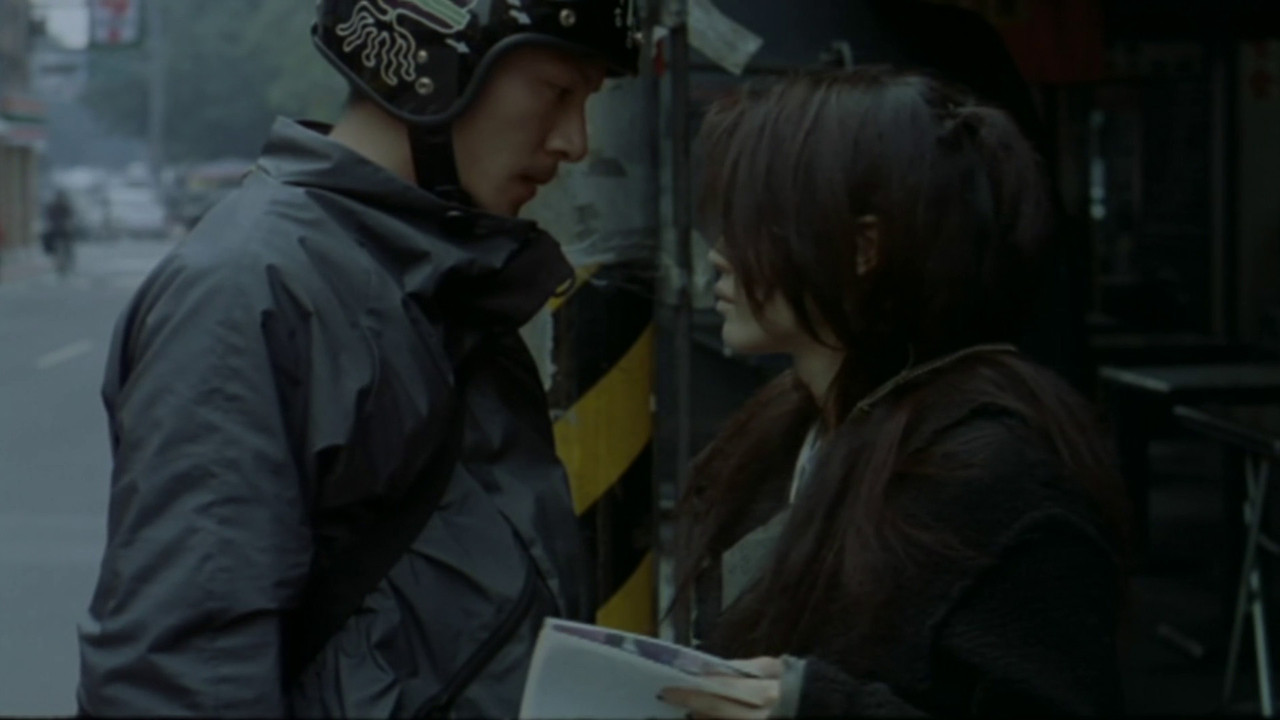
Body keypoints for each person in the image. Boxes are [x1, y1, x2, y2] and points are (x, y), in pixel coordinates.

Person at [76, 1, 639, 717]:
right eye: (557, 91)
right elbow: (185, 672)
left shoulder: (441, 274)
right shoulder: (252, 292)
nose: (575, 142)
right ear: (433, 68)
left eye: (585, 101)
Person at [658, 68, 1131, 718]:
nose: (720, 253)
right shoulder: (794, 425)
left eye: (756, 223)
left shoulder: (991, 471)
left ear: (862, 248)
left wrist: (816, 707)